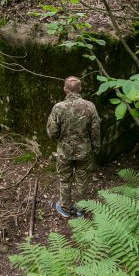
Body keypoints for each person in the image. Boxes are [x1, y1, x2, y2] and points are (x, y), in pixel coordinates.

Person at [47, 76, 100, 218]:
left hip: (65, 152)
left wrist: (62, 138)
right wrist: (96, 149)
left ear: (65, 89)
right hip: (85, 152)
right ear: (80, 89)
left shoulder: (58, 108)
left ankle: (64, 207)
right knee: (82, 180)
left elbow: (52, 133)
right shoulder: (90, 106)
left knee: (65, 179)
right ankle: (81, 209)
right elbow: (95, 131)